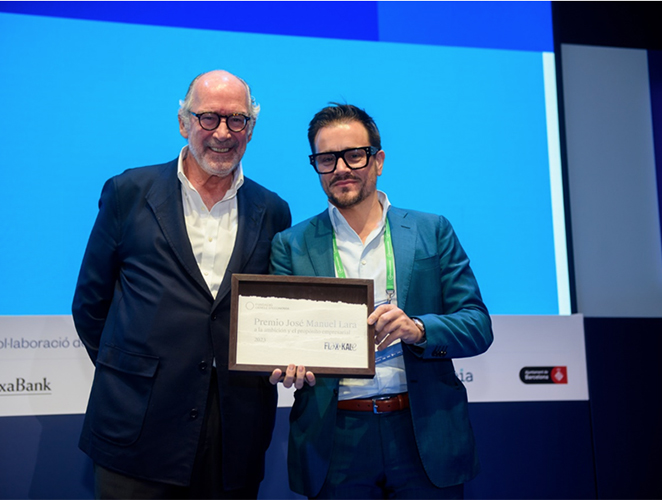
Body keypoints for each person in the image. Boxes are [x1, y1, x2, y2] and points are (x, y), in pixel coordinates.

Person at [72, 70, 291, 499]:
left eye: (238, 120)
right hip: (136, 427)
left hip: (234, 434)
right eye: (209, 118)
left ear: (252, 128)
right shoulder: (128, 192)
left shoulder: (273, 209)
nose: (223, 133)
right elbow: (90, 304)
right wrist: (133, 375)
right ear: (183, 122)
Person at [269, 103, 493, 499]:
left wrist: (418, 328)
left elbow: (477, 326)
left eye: (354, 155)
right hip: (335, 438)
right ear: (316, 166)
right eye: (326, 159)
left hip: (421, 429)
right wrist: (285, 364)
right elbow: (283, 342)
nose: (341, 168)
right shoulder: (291, 245)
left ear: (378, 160)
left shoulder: (431, 231)